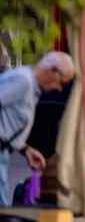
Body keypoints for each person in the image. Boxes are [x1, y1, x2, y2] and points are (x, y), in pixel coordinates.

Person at [0, 52, 74, 206]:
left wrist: (25, 149)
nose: (60, 89)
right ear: (53, 71)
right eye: (61, 83)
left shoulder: (30, 85)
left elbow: (7, 119)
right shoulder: (23, 81)